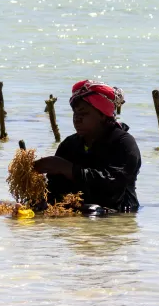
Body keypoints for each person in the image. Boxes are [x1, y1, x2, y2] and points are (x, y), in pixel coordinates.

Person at [34, 80, 141, 215]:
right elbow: (55, 187)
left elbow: (113, 184)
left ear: (103, 115)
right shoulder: (70, 144)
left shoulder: (123, 143)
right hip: (80, 208)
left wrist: (67, 168)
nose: (77, 119)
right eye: (75, 113)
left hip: (119, 212)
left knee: (93, 212)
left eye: (83, 114)